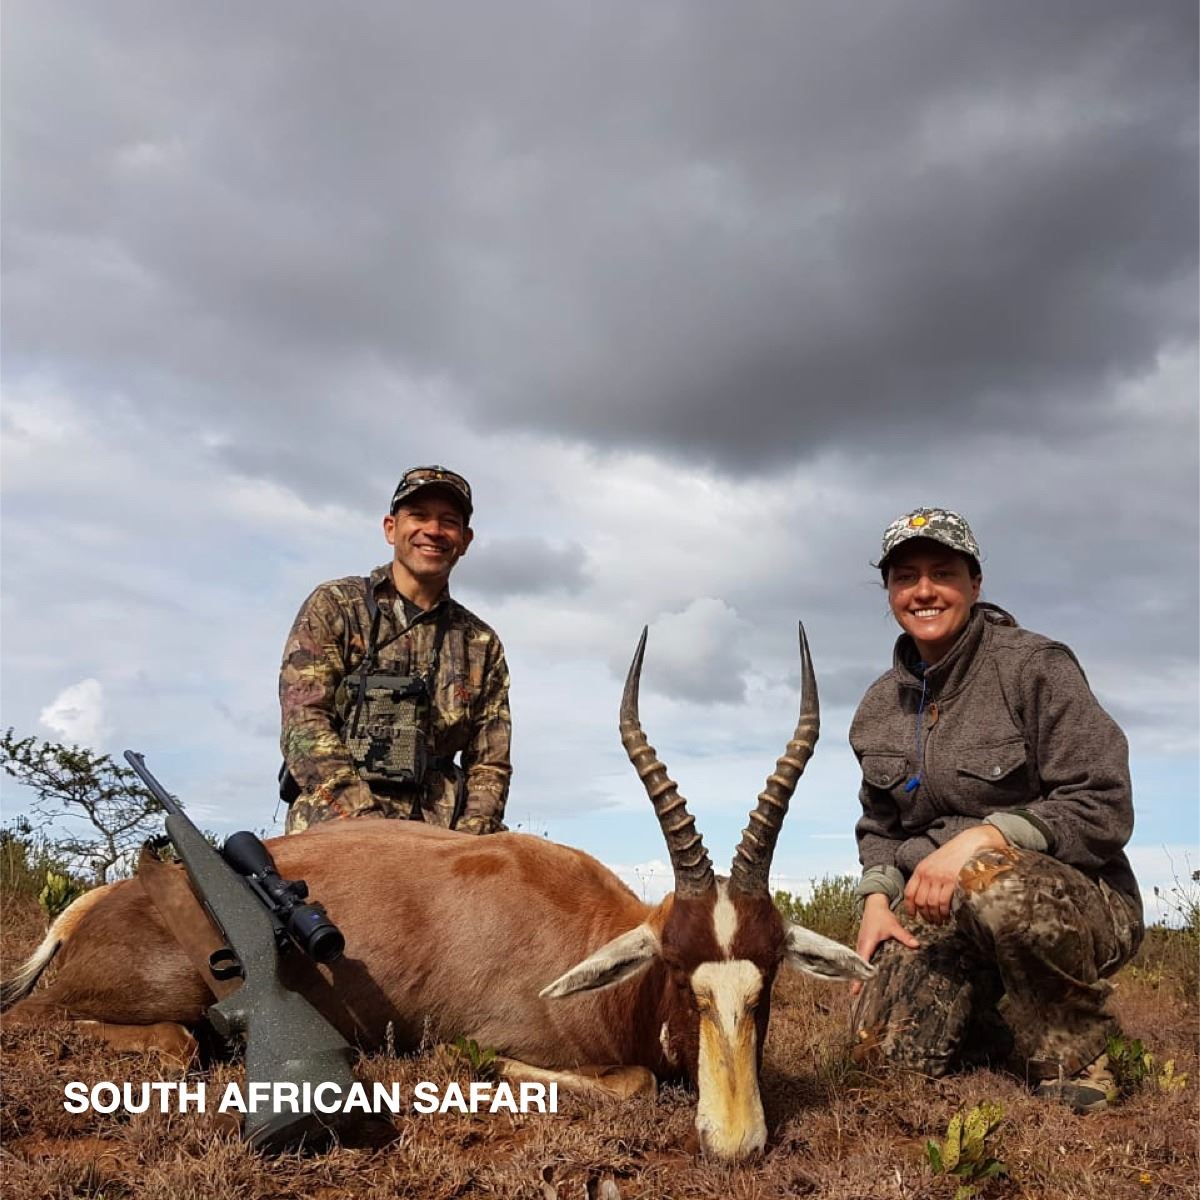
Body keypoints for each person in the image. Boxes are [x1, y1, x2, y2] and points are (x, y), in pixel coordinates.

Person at [848, 507, 1142, 1113]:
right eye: (906, 577)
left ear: (975, 584)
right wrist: (876, 899)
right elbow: (880, 827)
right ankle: (991, 1022)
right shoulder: (878, 705)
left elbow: (1103, 802)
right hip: (943, 909)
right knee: (877, 1058)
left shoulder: (1035, 667)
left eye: (942, 573)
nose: (924, 591)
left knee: (992, 881)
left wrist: (985, 837)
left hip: (1077, 901)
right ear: (890, 592)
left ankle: (1075, 1054)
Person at [279, 465, 511, 835]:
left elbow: (489, 764)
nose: (433, 530)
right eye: (418, 516)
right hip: (338, 832)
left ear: (465, 540)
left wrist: (469, 842)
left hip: (443, 841)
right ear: (391, 528)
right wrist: (368, 826)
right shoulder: (336, 606)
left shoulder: (480, 643)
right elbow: (304, 724)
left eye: (448, 521)